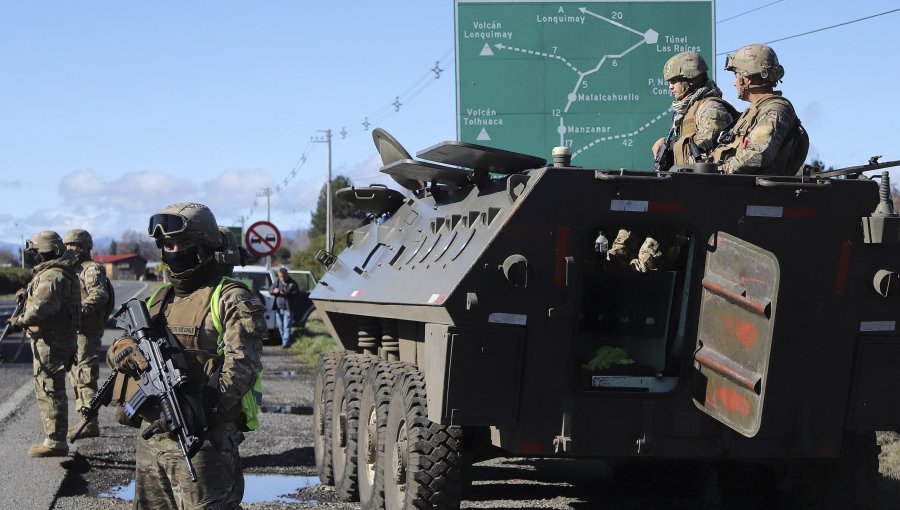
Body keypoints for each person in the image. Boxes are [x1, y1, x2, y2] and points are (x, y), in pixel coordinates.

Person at [110, 202, 266, 508]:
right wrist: (123, 350)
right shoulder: (160, 298)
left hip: (202, 440)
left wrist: (200, 410)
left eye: (182, 244)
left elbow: (242, 366)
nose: (173, 252)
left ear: (204, 247)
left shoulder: (229, 297)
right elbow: (124, 344)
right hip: (152, 438)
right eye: (167, 246)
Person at [8, 231, 81, 457]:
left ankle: (56, 442)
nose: (35, 257)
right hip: (57, 339)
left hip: (51, 342)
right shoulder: (56, 273)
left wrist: (19, 321)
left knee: (50, 390)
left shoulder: (52, 275)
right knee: (51, 388)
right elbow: (43, 298)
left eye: (37, 252)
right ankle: (55, 438)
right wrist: (27, 294)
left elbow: (43, 308)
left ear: (45, 252)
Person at [712, 43, 808, 175]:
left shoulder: (774, 110)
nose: (734, 82)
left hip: (756, 188)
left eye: (736, 75)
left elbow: (758, 154)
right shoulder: (755, 111)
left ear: (747, 79)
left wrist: (719, 171)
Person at [63, 229, 110, 439]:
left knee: (85, 375)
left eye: (72, 245)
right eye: (66, 245)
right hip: (75, 331)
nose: (68, 249)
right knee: (75, 375)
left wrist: (75, 312)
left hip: (87, 332)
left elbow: (99, 295)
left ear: (84, 247)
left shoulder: (91, 269)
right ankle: (84, 418)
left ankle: (90, 422)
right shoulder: (72, 269)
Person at [651, 50, 736, 165]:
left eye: (674, 81)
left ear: (689, 80)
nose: (670, 87)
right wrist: (669, 145)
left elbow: (710, 155)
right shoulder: (687, 111)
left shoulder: (710, 109)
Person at [270, 267, 298, 348]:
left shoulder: (292, 283)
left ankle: (285, 343)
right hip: (278, 308)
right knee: (280, 327)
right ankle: (285, 341)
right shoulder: (277, 282)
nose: (282, 278)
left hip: (288, 308)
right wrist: (274, 291)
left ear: (287, 275)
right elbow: (270, 290)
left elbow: (296, 293)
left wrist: (285, 293)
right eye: (280, 276)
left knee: (287, 326)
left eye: (283, 276)